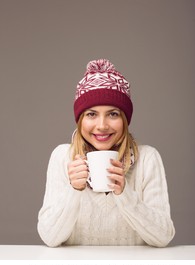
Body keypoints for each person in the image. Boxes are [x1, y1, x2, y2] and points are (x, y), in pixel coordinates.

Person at [37, 58, 175, 247]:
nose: (102, 126)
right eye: (91, 114)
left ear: (125, 120)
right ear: (80, 120)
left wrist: (124, 193)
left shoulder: (148, 159)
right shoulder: (62, 157)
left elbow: (163, 237)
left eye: (113, 114)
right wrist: (73, 190)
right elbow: (50, 238)